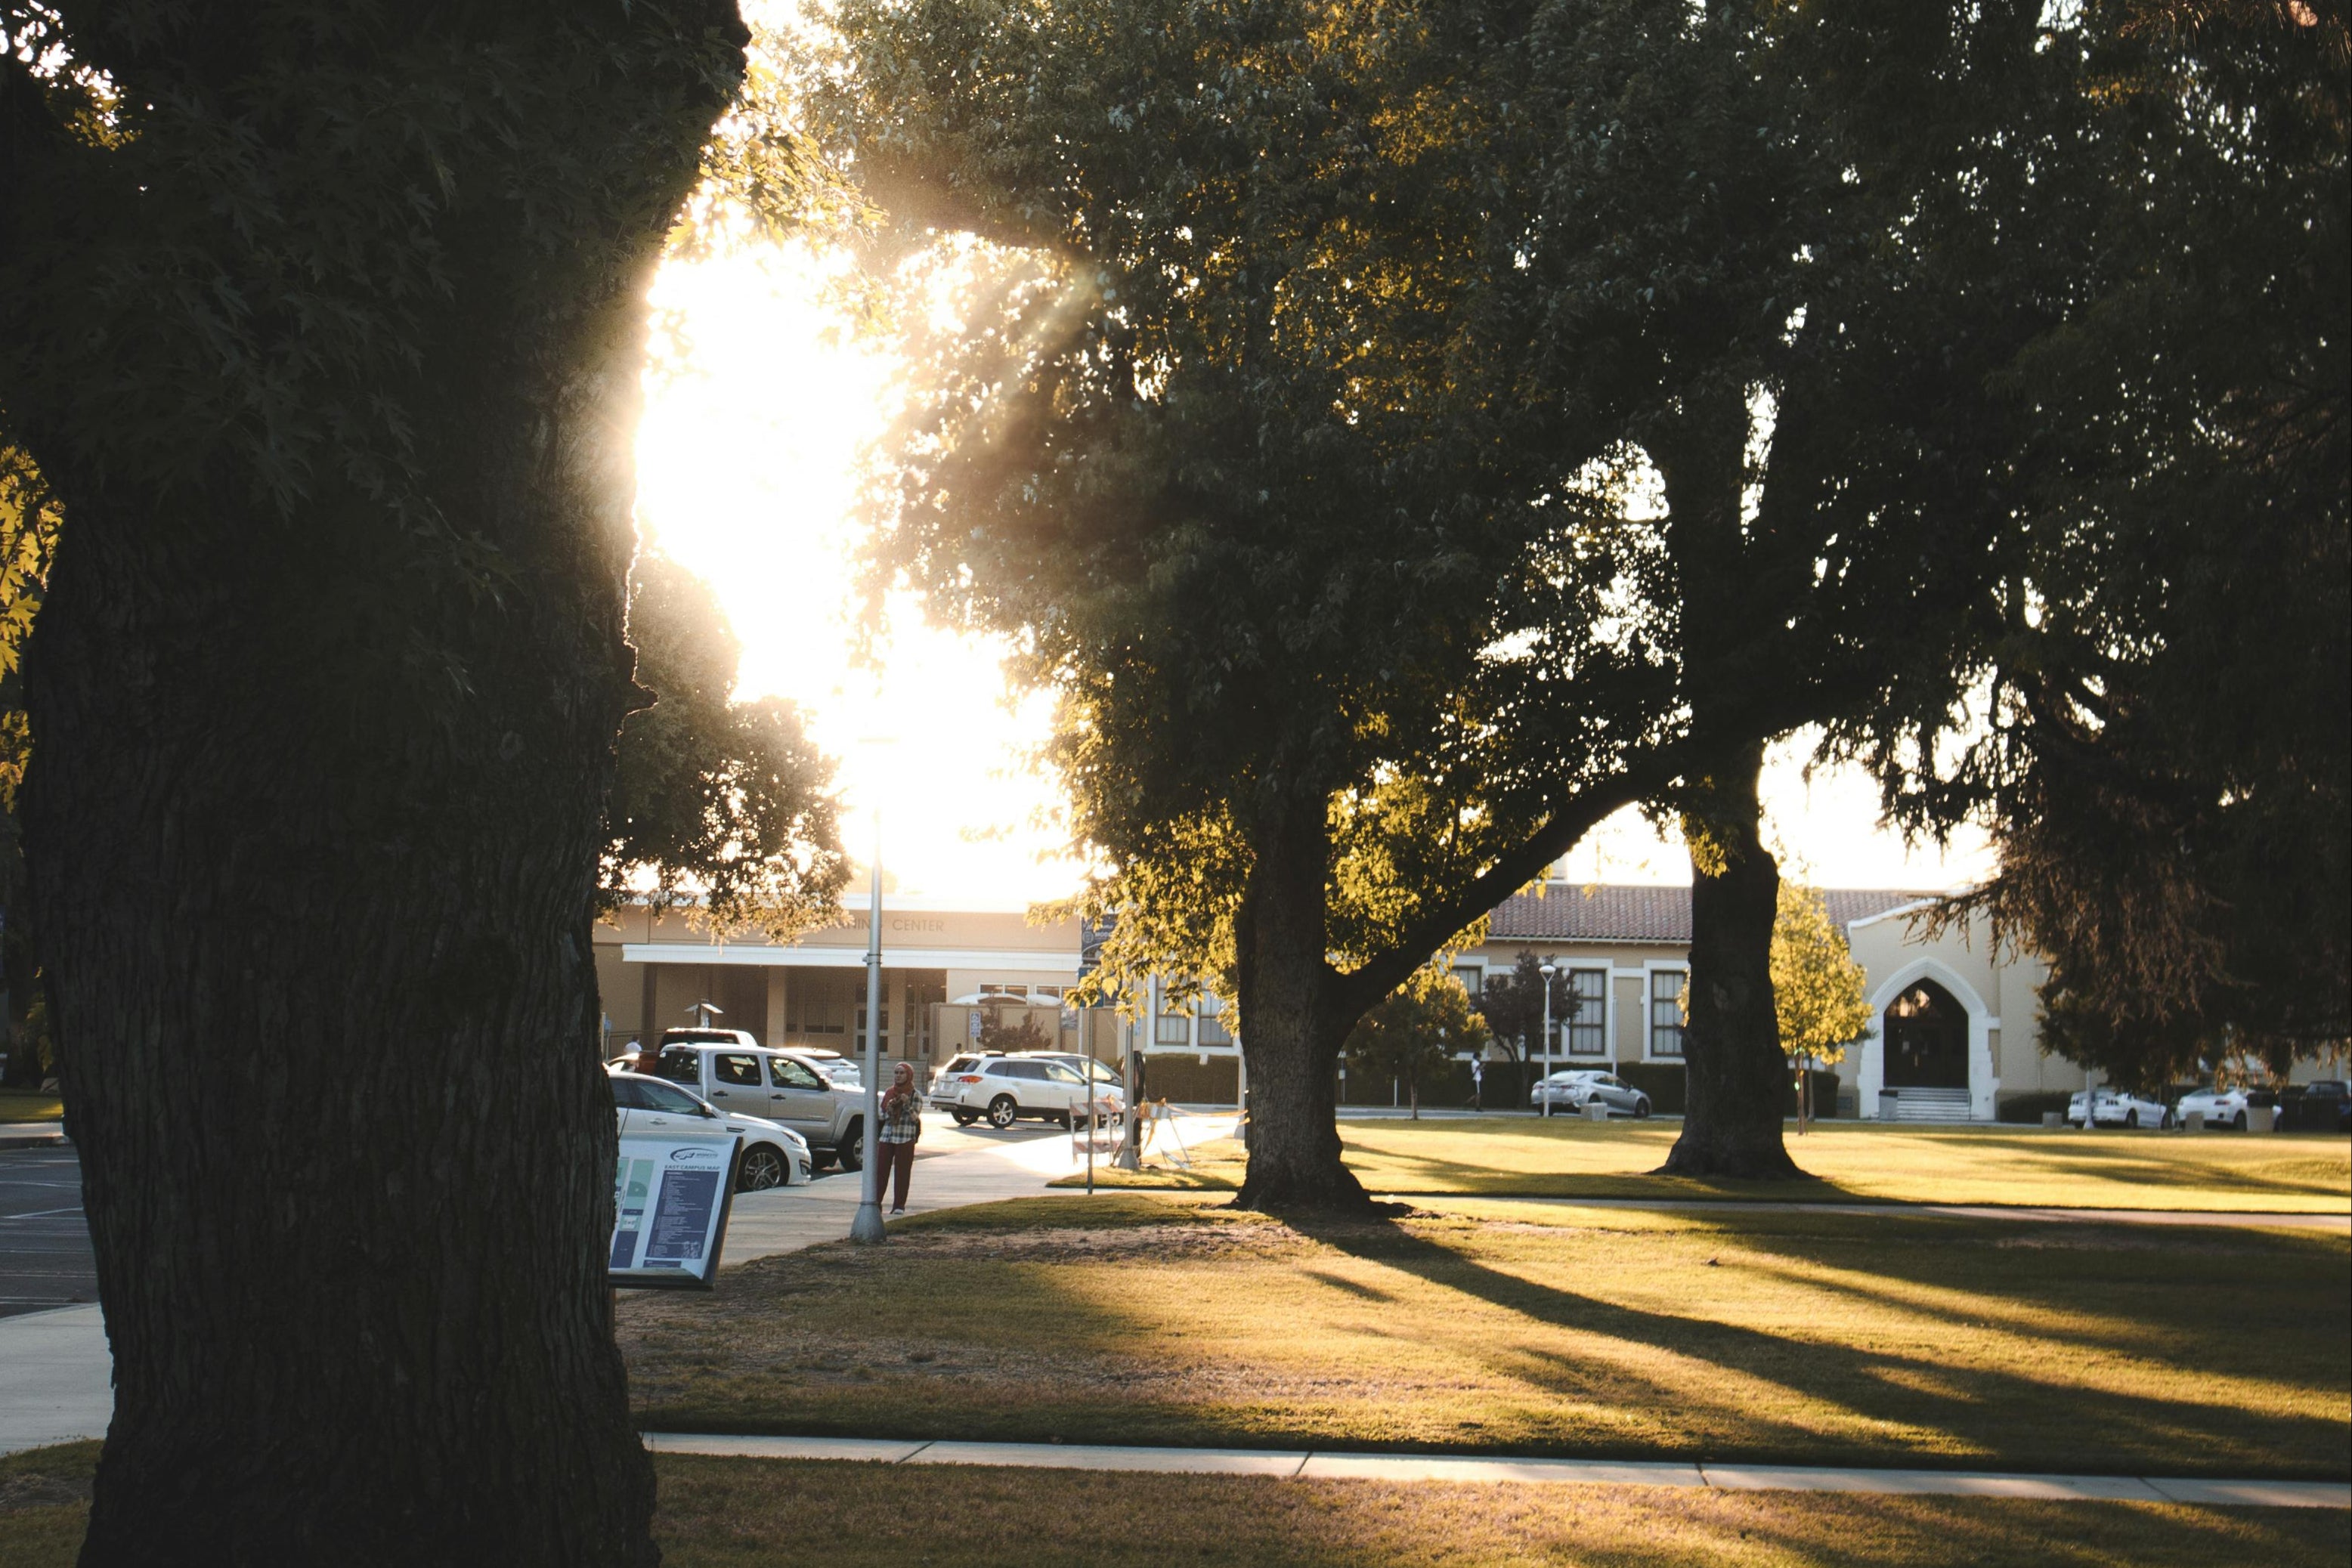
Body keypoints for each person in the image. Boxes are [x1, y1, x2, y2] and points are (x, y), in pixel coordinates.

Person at [878, 1061, 923, 1214]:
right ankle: (876, 1203)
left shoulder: (915, 1095)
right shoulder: (890, 1092)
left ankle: (899, 1206)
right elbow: (882, 1115)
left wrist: (906, 1104)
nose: (898, 1076)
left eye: (902, 1073)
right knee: (881, 1170)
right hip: (887, 1136)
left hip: (905, 1136)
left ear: (908, 1075)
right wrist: (889, 1108)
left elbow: (914, 1118)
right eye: (896, 1073)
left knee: (902, 1172)